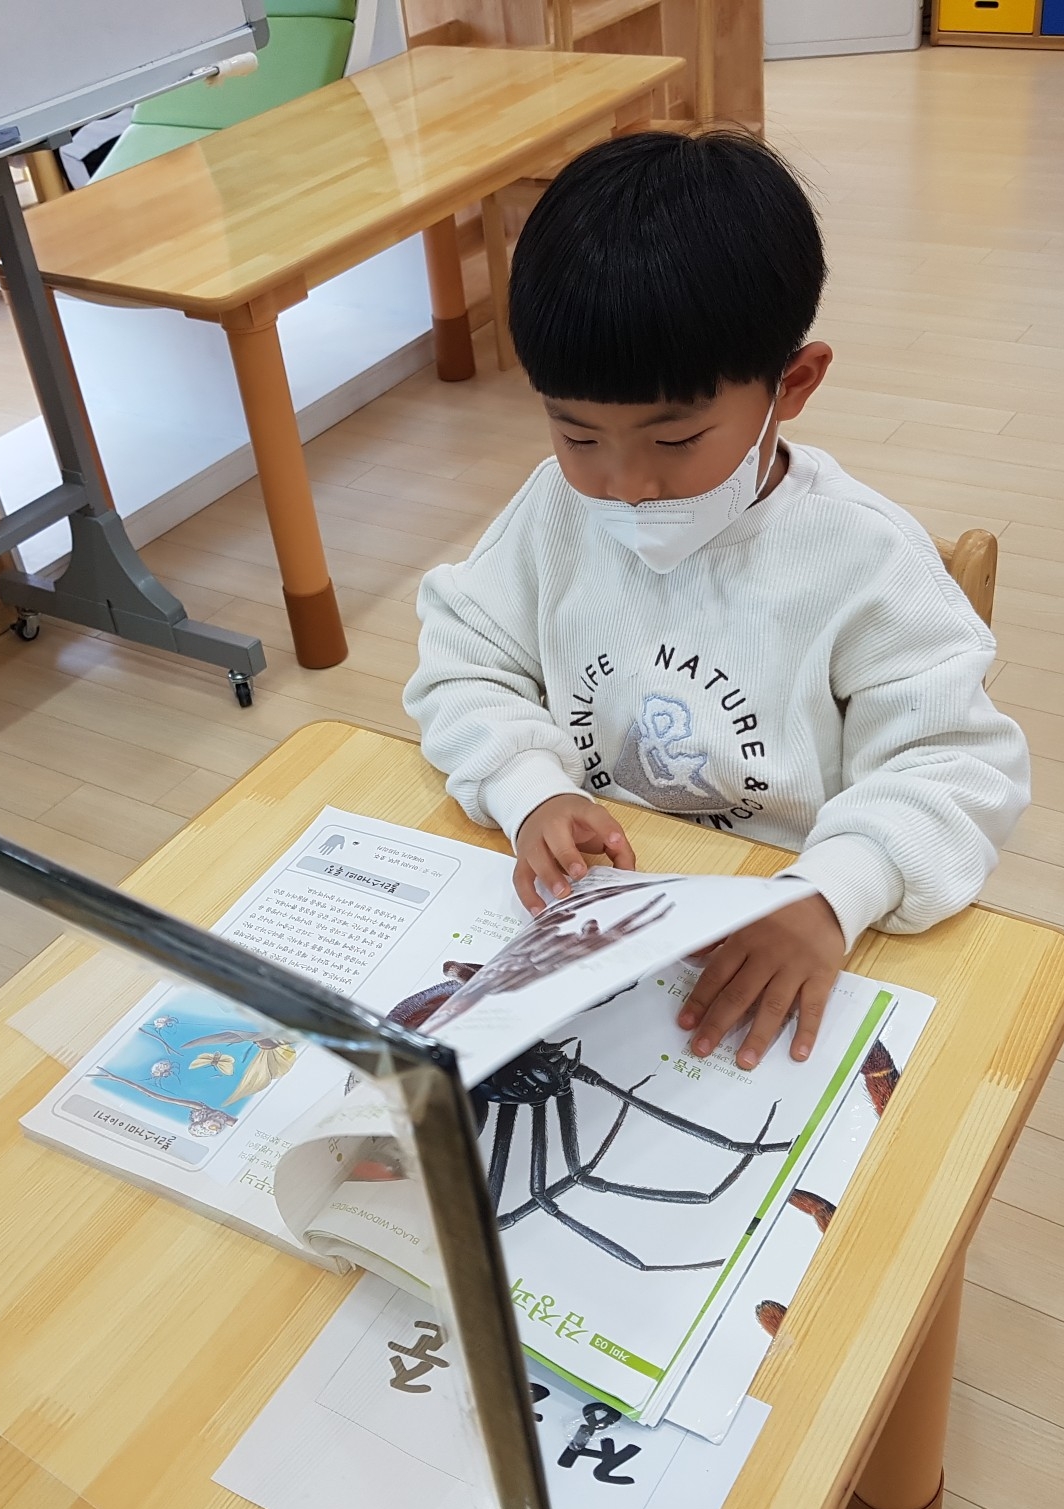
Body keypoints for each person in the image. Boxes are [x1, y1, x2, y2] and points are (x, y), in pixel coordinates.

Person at [402, 131, 1030, 1072]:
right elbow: (465, 661)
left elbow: (959, 768)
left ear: (794, 385)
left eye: (675, 441)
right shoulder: (552, 512)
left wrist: (832, 893)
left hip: (797, 919)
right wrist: (529, 787)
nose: (624, 487)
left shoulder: (862, 558)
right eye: (577, 437)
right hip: (597, 914)